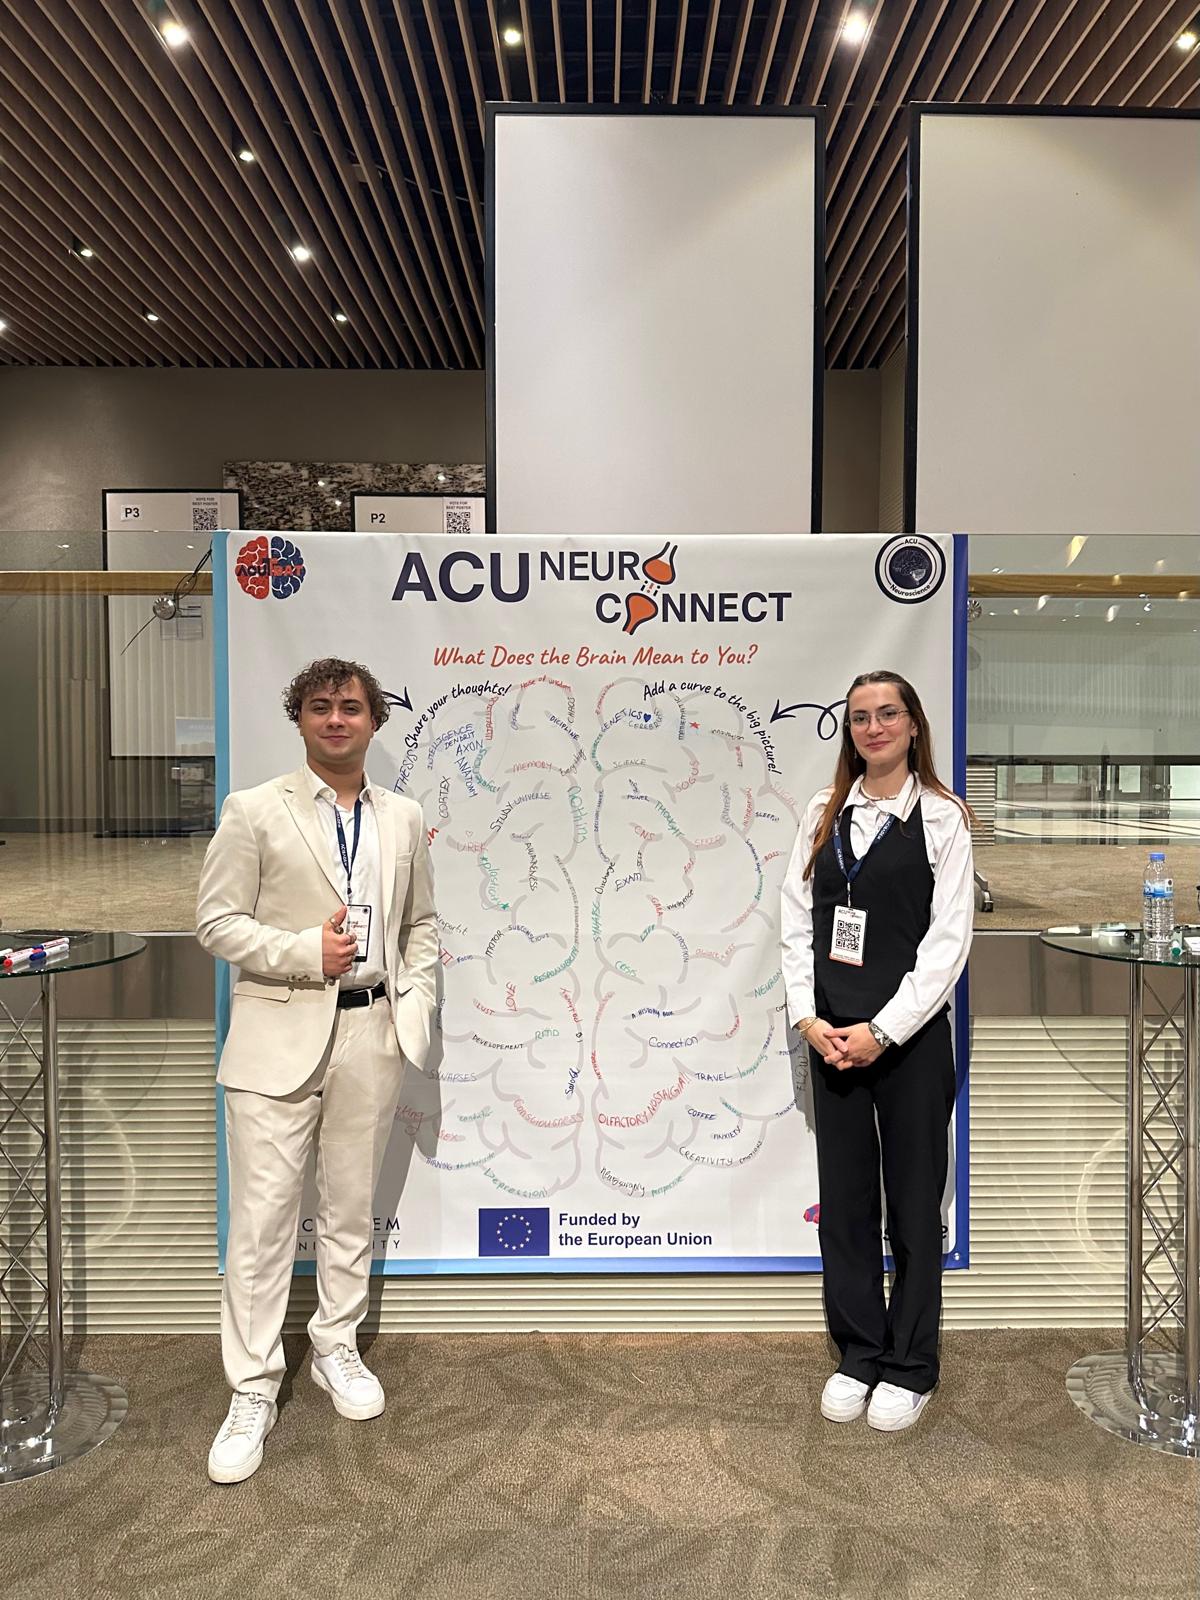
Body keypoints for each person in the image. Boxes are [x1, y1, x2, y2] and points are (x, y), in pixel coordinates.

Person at [196, 657, 437, 1483]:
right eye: (321, 706)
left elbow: (422, 924)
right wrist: (306, 951)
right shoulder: (253, 810)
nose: (337, 719)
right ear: (299, 718)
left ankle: (336, 1346)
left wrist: (414, 1004)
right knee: (262, 1224)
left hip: (372, 1034)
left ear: (374, 721)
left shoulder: (403, 817)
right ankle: (252, 1388)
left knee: (348, 1209)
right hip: (276, 1036)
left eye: (352, 707)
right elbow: (216, 922)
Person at [780, 669, 973, 1434]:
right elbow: (796, 920)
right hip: (831, 1040)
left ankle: (911, 1364)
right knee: (846, 1206)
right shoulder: (822, 813)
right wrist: (808, 1018)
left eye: (888, 713)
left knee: (914, 1207)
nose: (874, 727)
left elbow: (948, 943)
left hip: (909, 1043)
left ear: (914, 724)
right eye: (860, 717)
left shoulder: (943, 819)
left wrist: (883, 1030)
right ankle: (859, 1351)